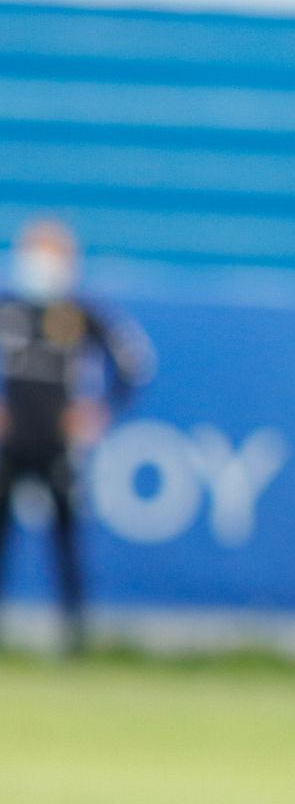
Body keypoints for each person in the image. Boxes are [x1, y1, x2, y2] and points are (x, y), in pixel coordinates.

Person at [0, 217, 154, 654]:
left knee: (65, 540)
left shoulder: (81, 313)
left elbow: (134, 364)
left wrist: (98, 410)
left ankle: (74, 637)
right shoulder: (8, 306)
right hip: (10, 445)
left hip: (57, 444)